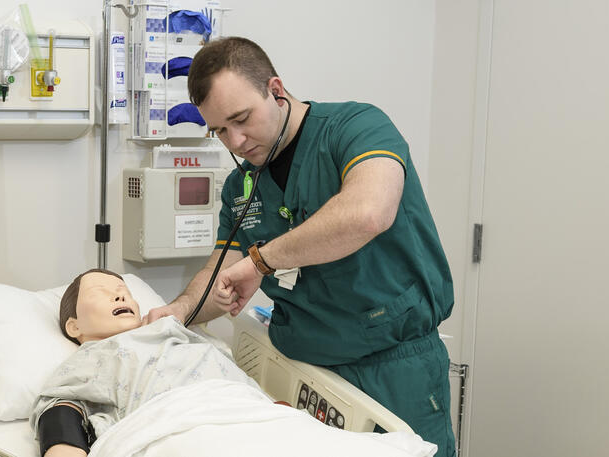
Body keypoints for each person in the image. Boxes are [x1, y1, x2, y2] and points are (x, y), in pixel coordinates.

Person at [143, 37, 457, 457]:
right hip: (306, 374)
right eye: (219, 130)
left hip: (394, 369)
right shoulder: (242, 186)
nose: (234, 141)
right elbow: (226, 266)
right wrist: (180, 311)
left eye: (241, 118)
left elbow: (368, 213)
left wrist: (263, 260)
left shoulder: (356, 128)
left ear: (276, 90)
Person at [34, 270, 435, 457]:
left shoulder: (179, 334)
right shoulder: (93, 357)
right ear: (73, 326)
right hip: (176, 425)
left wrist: (285, 417)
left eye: (123, 289)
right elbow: (62, 409)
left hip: (249, 416)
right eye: (104, 291)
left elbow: (244, 390)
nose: (120, 295)